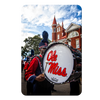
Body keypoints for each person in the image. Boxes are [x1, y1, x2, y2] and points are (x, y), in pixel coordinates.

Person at [25, 31, 51, 99]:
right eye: (44, 48)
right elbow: (27, 74)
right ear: (40, 49)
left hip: (48, 87)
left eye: (47, 48)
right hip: (39, 88)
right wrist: (36, 78)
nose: (46, 50)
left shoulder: (51, 60)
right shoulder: (36, 59)